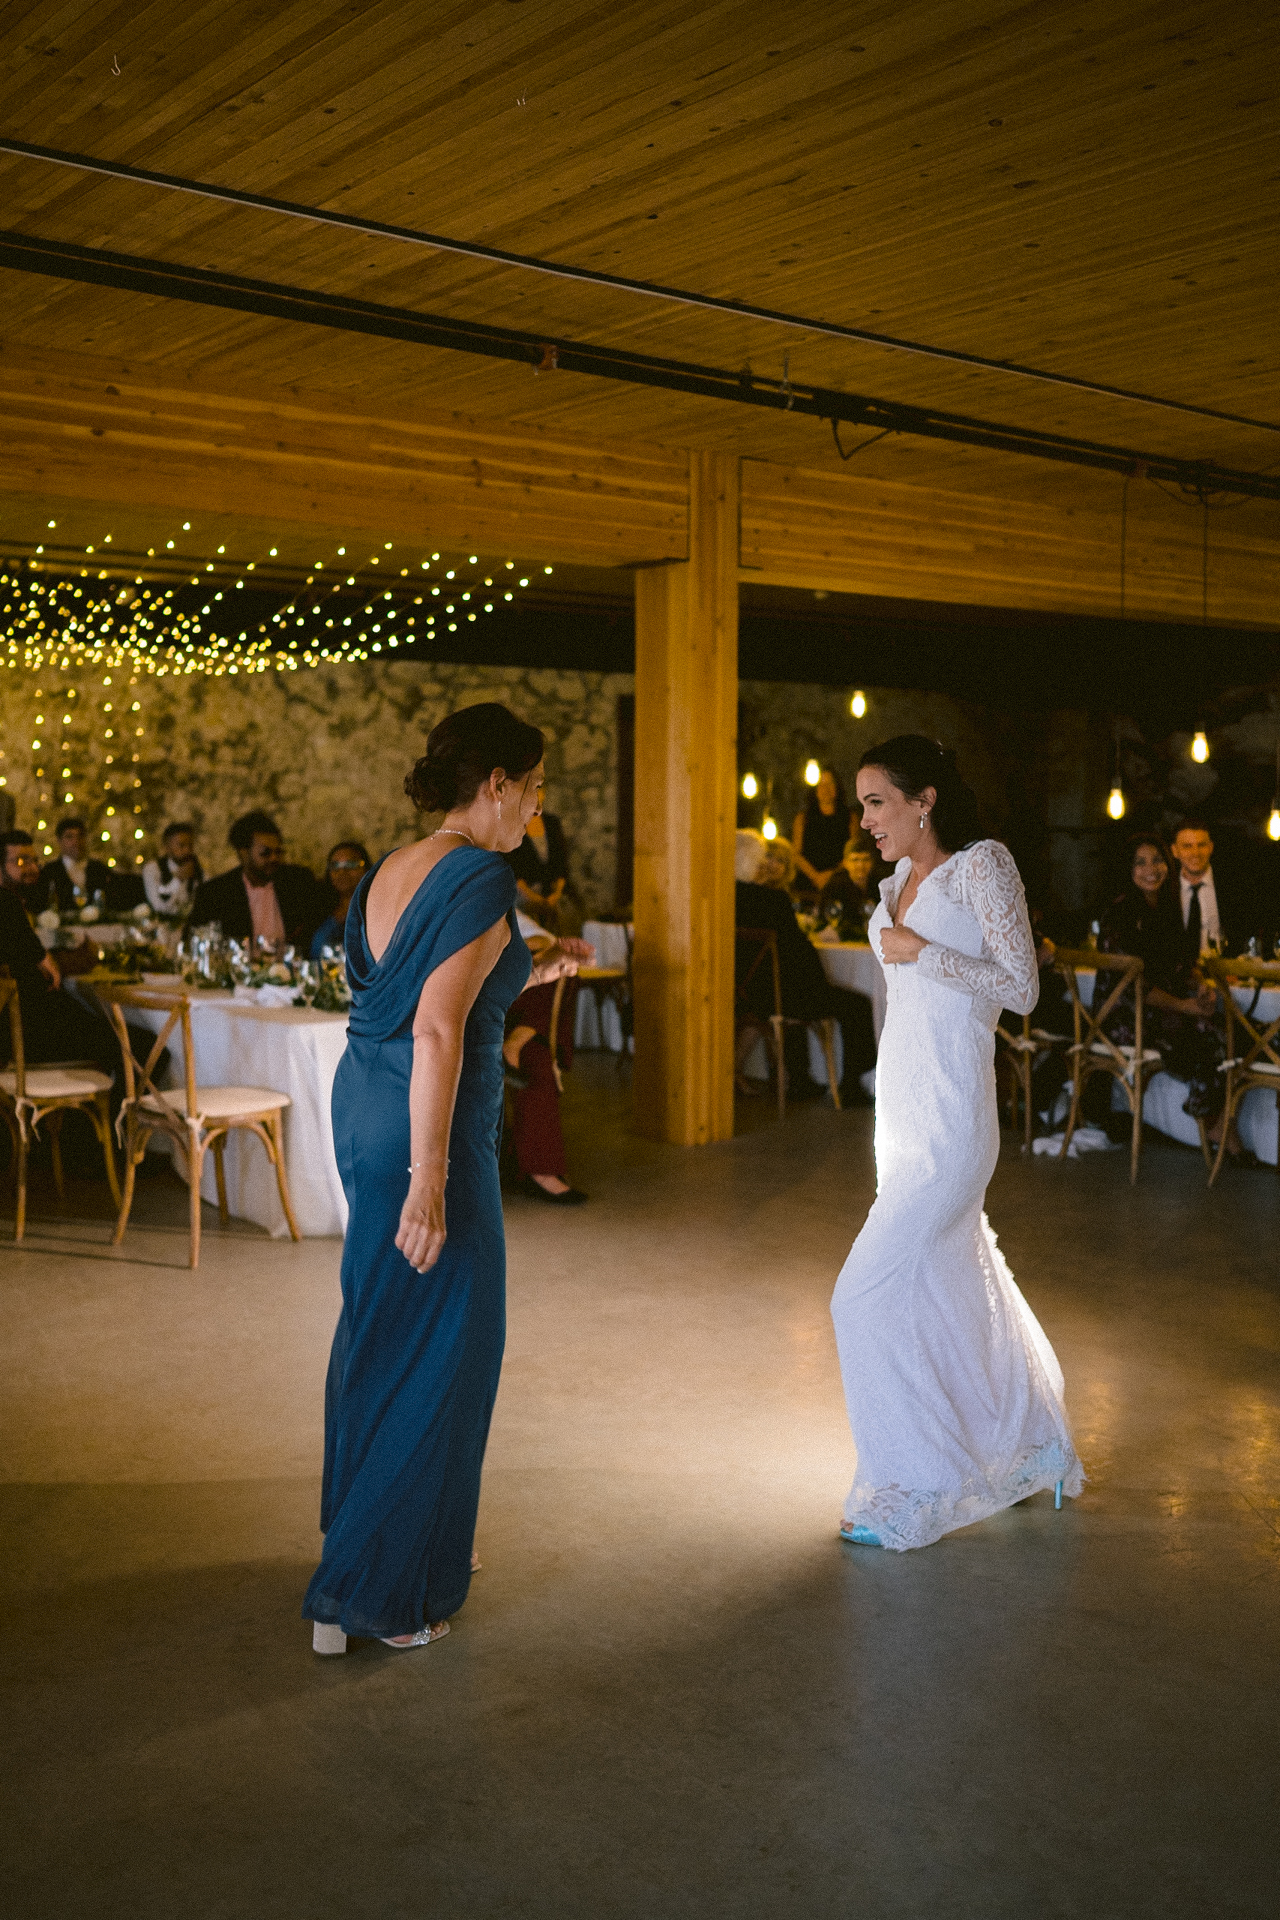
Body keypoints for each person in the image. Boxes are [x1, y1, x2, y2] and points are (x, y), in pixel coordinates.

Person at [304, 703, 583, 1656]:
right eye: (535, 790)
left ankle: (361, 1545)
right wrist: (431, 1181)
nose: (536, 812)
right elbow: (437, 1027)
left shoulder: (392, 867)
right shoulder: (481, 873)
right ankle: (380, 1593)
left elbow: (427, 989)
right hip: (430, 1134)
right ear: (496, 783)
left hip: (363, 1106)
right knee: (449, 1350)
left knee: (379, 1325)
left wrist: (539, 958)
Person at [831, 734, 1083, 1550]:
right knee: (950, 1289)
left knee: (861, 1296)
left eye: (876, 801)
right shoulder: (894, 882)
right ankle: (1030, 1447)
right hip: (901, 1114)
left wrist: (922, 951)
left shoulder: (982, 866)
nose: (864, 819)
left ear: (924, 799)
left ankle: (914, 1483)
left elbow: (1022, 988)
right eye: (863, 803)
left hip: (951, 1120)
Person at [1098, 835, 1240, 1156]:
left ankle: (1215, 1119)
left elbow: (1180, 966)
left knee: (1234, 1030)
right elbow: (1136, 988)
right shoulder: (1120, 915)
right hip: (1125, 1017)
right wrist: (1186, 1007)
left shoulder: (1167, 909)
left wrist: (1200, 986)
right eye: (1140, 862)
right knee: (1212, 1035)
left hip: (1163, 1012)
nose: (1151, 869)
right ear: (1128, 869)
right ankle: (1215, 1123)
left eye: (1157, 860)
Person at [734, 829, 876, 1103]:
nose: (765, 864)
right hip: (778, 996)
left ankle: (800, 1079)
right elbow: (798, 953)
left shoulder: (727, 900)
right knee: (857, 1004)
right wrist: (820, 980)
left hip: (748, 993)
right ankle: (851, 1086)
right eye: (762, 859)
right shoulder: (772, 900)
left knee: (794, 991)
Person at [0, 833, 123, 1084]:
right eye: (21, 861)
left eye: (34, 860)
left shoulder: (21, 906)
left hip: (28, 1032)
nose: (32, 868)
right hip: (28, 1038)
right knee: (140, 1047)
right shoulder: (7, 907)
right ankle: (114, 1120)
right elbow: (39, 974)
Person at [502, 910, 595, 1203]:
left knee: (536, 1059)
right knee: (536, 1053)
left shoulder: (502, 900)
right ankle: (517, 1041)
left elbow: (540, 936)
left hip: (518, 999)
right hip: (478, 1007)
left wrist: (550, 950)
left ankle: (516, 1043)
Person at [188, 810, 318, 952]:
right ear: (243, 853)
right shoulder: (215, 893)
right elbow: (194, 942)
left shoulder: (298, 881)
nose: (274, 858)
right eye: (265, 853)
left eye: (278, 852)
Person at [1169, 818, 1254, 958]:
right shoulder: (1165, 889)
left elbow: (1245, 935)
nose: (1195, 853)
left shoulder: (1234, 887)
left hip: (1224, 973)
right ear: (1174, 851)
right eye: (1187, 846)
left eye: (1201, 845)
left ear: (1210, 848)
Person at [505, 803, 579, 934]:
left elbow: (561, 863)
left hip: (551, 889)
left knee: (566, 912)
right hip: (523, 890)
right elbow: (512, 866)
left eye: (539, 790)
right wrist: (533, 897)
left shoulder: (551, 822)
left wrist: (556, 894)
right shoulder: (512, 823)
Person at [793, 769, 854, 894]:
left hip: (839, 879)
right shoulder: (803, 818)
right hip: (808, 881)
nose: (825, 789)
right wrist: (816, 876)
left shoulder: (850, 817)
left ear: (837, 787)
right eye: (821, 784)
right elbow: (796, 854)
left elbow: (852, 852)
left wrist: (831, 876)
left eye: (830, 784)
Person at [37, 817, 111, 916]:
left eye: (80, 836)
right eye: (69, 837)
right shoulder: (49, 871)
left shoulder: (99, 869)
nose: (76, 841)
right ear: (59, 840)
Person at [310, 842, 373, 959]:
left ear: (367, 869)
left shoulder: (376, 910)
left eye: (351, 864)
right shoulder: (318, 908)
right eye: (335, 866)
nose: (342, 872)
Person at [818, 837, 877, 935]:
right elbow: (824, 920)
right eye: (855, 860)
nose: (860, 865)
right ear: (845, 863)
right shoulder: (834, 887)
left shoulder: (880, 885)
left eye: (865, 859)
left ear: (872, 862)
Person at [142, 823, 203, 917]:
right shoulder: (153, 869)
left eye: (190, 845)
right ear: (167, 847)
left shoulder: (196, 868)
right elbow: (158, 907)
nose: (187, 850)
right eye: (181, 845)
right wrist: (178, 880)